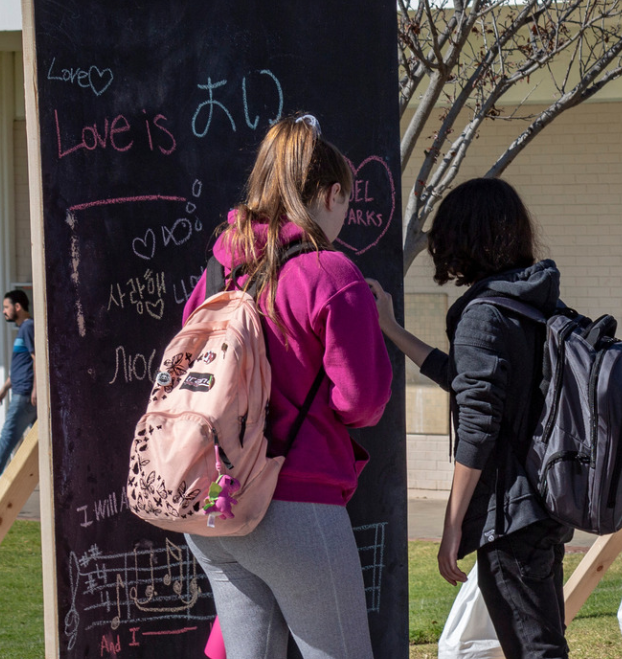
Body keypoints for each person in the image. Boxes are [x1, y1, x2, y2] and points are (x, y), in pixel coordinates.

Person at [182, 114, 392, 659]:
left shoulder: (215, 274)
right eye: (345, 201)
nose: (345, 215)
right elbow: (362, 402)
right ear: (329, 193)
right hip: (295, 504)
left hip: (212, 504)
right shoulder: (330, 273)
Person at [367, 177, 570, 659]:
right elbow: (469, 380)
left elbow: (479, 426)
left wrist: (453, 521)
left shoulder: (484, 314)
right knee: (543, 642)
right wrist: (393, 330)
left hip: (511, 515)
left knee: (536, 650)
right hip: (544, 503)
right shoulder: (532, 302)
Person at [0, 290, 37, 489]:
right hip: (21, 391)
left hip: (25, 396)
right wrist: (4, 388)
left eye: (6, 307)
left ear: (17, 307)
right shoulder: (23, 329)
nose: (4, 311)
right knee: (39, 443)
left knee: (8, 435)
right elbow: (20, 366)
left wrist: (35, 390)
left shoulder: (29, 327)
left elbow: (36, 359)